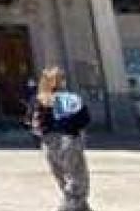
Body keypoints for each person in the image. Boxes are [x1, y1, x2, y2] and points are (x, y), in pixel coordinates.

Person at [31, 66, 92, 211]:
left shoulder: (39, 100)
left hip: (48, 143)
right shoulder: (71, 98)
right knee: (77, 177)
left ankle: (81, 207)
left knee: (62, 177)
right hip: (69, 140)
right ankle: (67, 207)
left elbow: (34, 124)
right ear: (60, 82)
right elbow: (84, 119)